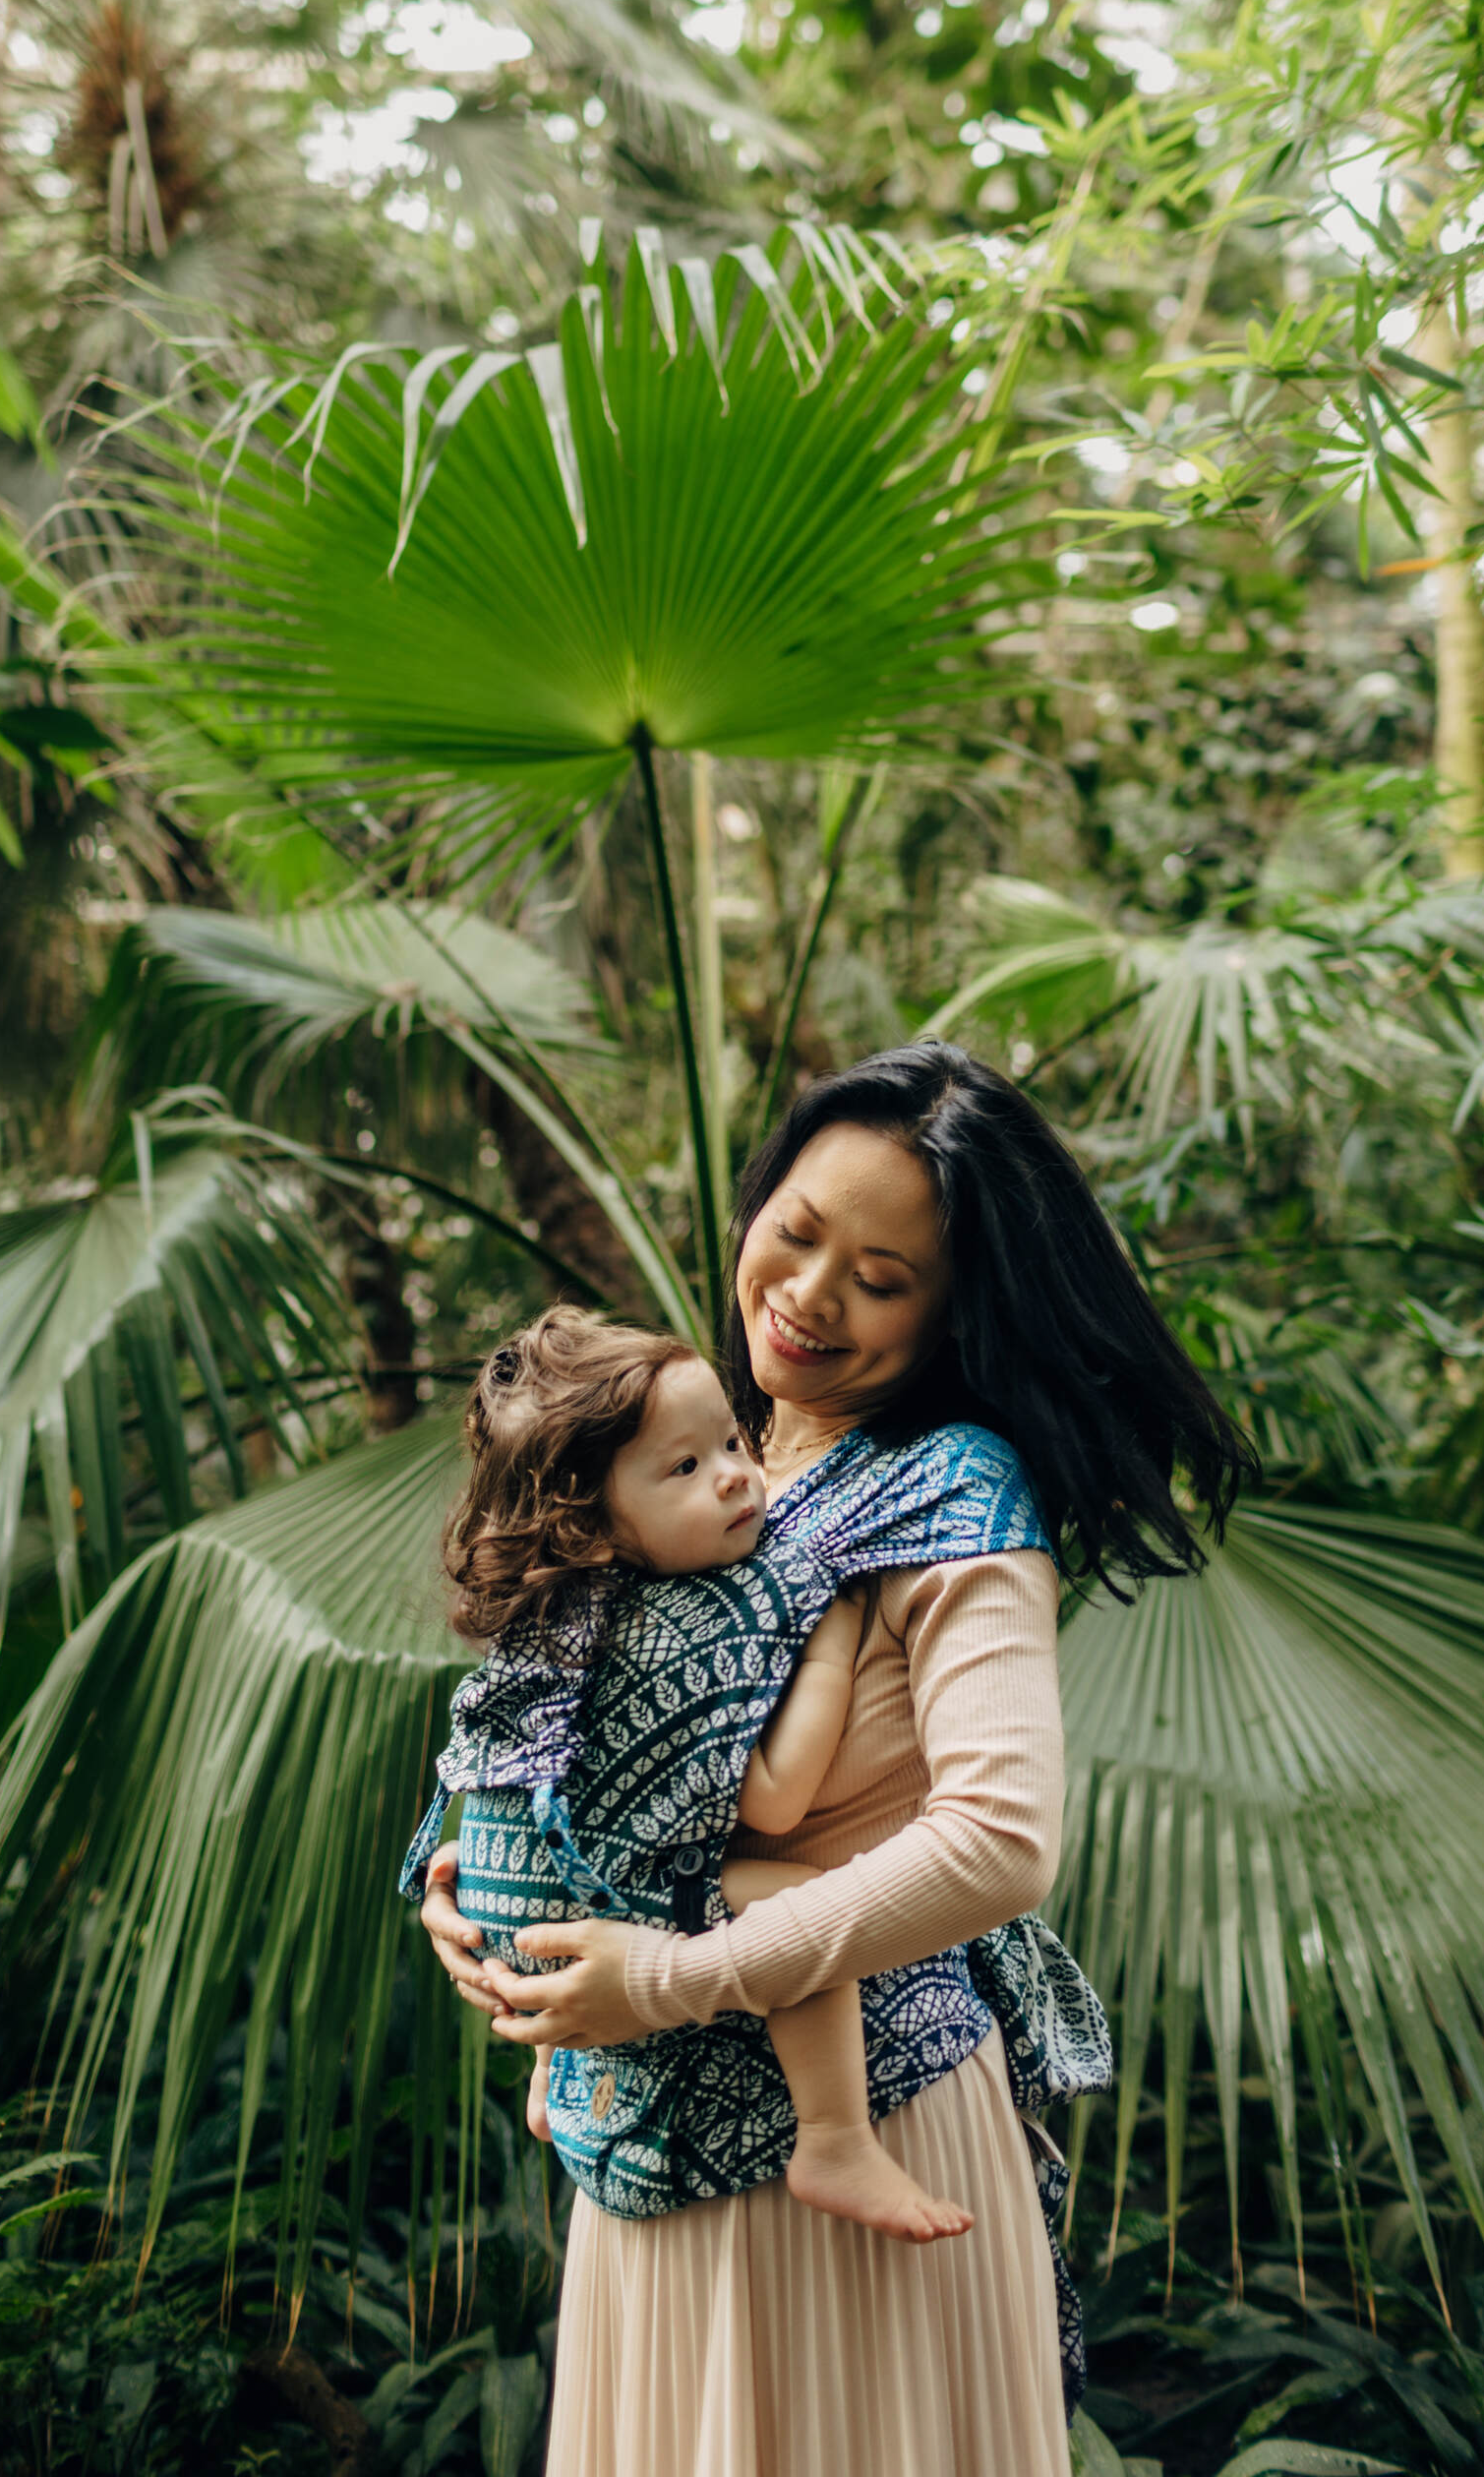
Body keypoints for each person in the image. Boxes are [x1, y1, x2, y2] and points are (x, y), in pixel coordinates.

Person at [422, 1041, 1253, 2477]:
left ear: (952, 1312)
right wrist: (454, 1883)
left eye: (881, 1280)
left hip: (859, 2150)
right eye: (796, 1234)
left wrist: (669, 1979)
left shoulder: (953, 1492)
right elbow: (550, 1696)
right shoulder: (711, 1450)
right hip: (644, 2156)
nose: (808, 1297)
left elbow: (1000, 1842)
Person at [438, 1307, 976, 2242]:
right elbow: (772, 1795)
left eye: (731, 1440)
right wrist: (832, 1646)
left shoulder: (556, 1621)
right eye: (685, 1469)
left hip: (506, 1917)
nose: (735, 1474)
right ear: (592, 1523)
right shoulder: (684, 1621)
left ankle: (548, 2088)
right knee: (801, 1904)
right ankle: (836, 2138)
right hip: (573, 1930)